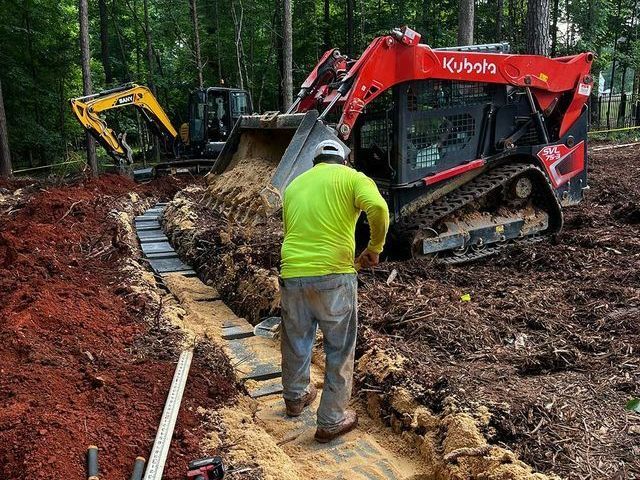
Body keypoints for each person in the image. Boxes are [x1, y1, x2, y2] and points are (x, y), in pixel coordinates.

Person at [279, 139, 390, 443]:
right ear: (343, 160)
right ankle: (330, 419)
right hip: (334, 275)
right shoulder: (352, 177)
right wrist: (374, 248)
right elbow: (378, 207)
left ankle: (295, 396)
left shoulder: (294, 186)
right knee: (339, 348)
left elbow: (291, 230)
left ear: (314, 162)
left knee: (296, 339)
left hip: (292, 273)